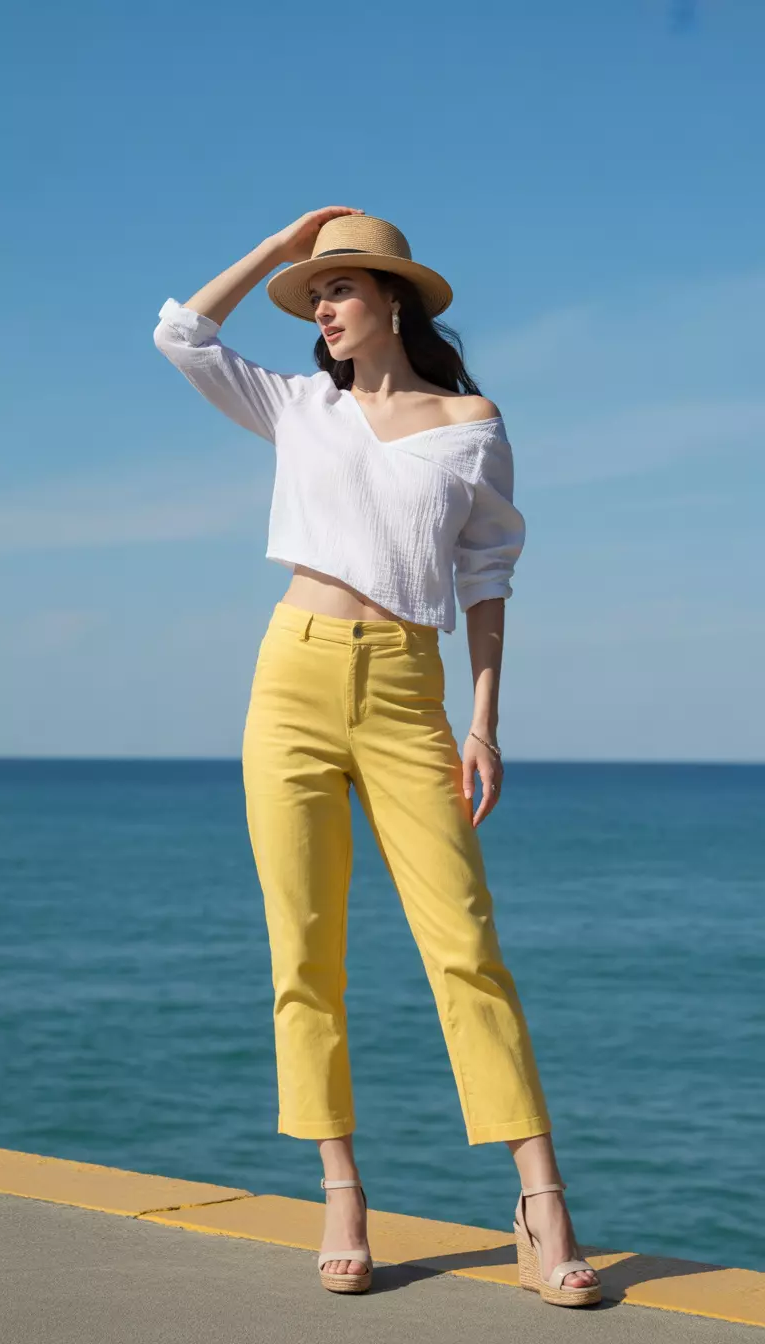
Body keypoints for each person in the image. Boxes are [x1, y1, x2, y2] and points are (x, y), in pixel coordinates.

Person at [153, 207, 601, 1308]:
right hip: (292, 676)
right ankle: (341, 1192)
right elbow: (181, 334)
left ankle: (541, 1205)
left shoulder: (470, 424)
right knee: (304, 951)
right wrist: (281, 241)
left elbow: (489, 578)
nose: (324, 311)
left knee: (466, 946)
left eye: (340, 291)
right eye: (314, 298)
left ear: (393, 298)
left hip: (410, 690)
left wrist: (485, 722)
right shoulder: (301, 406)